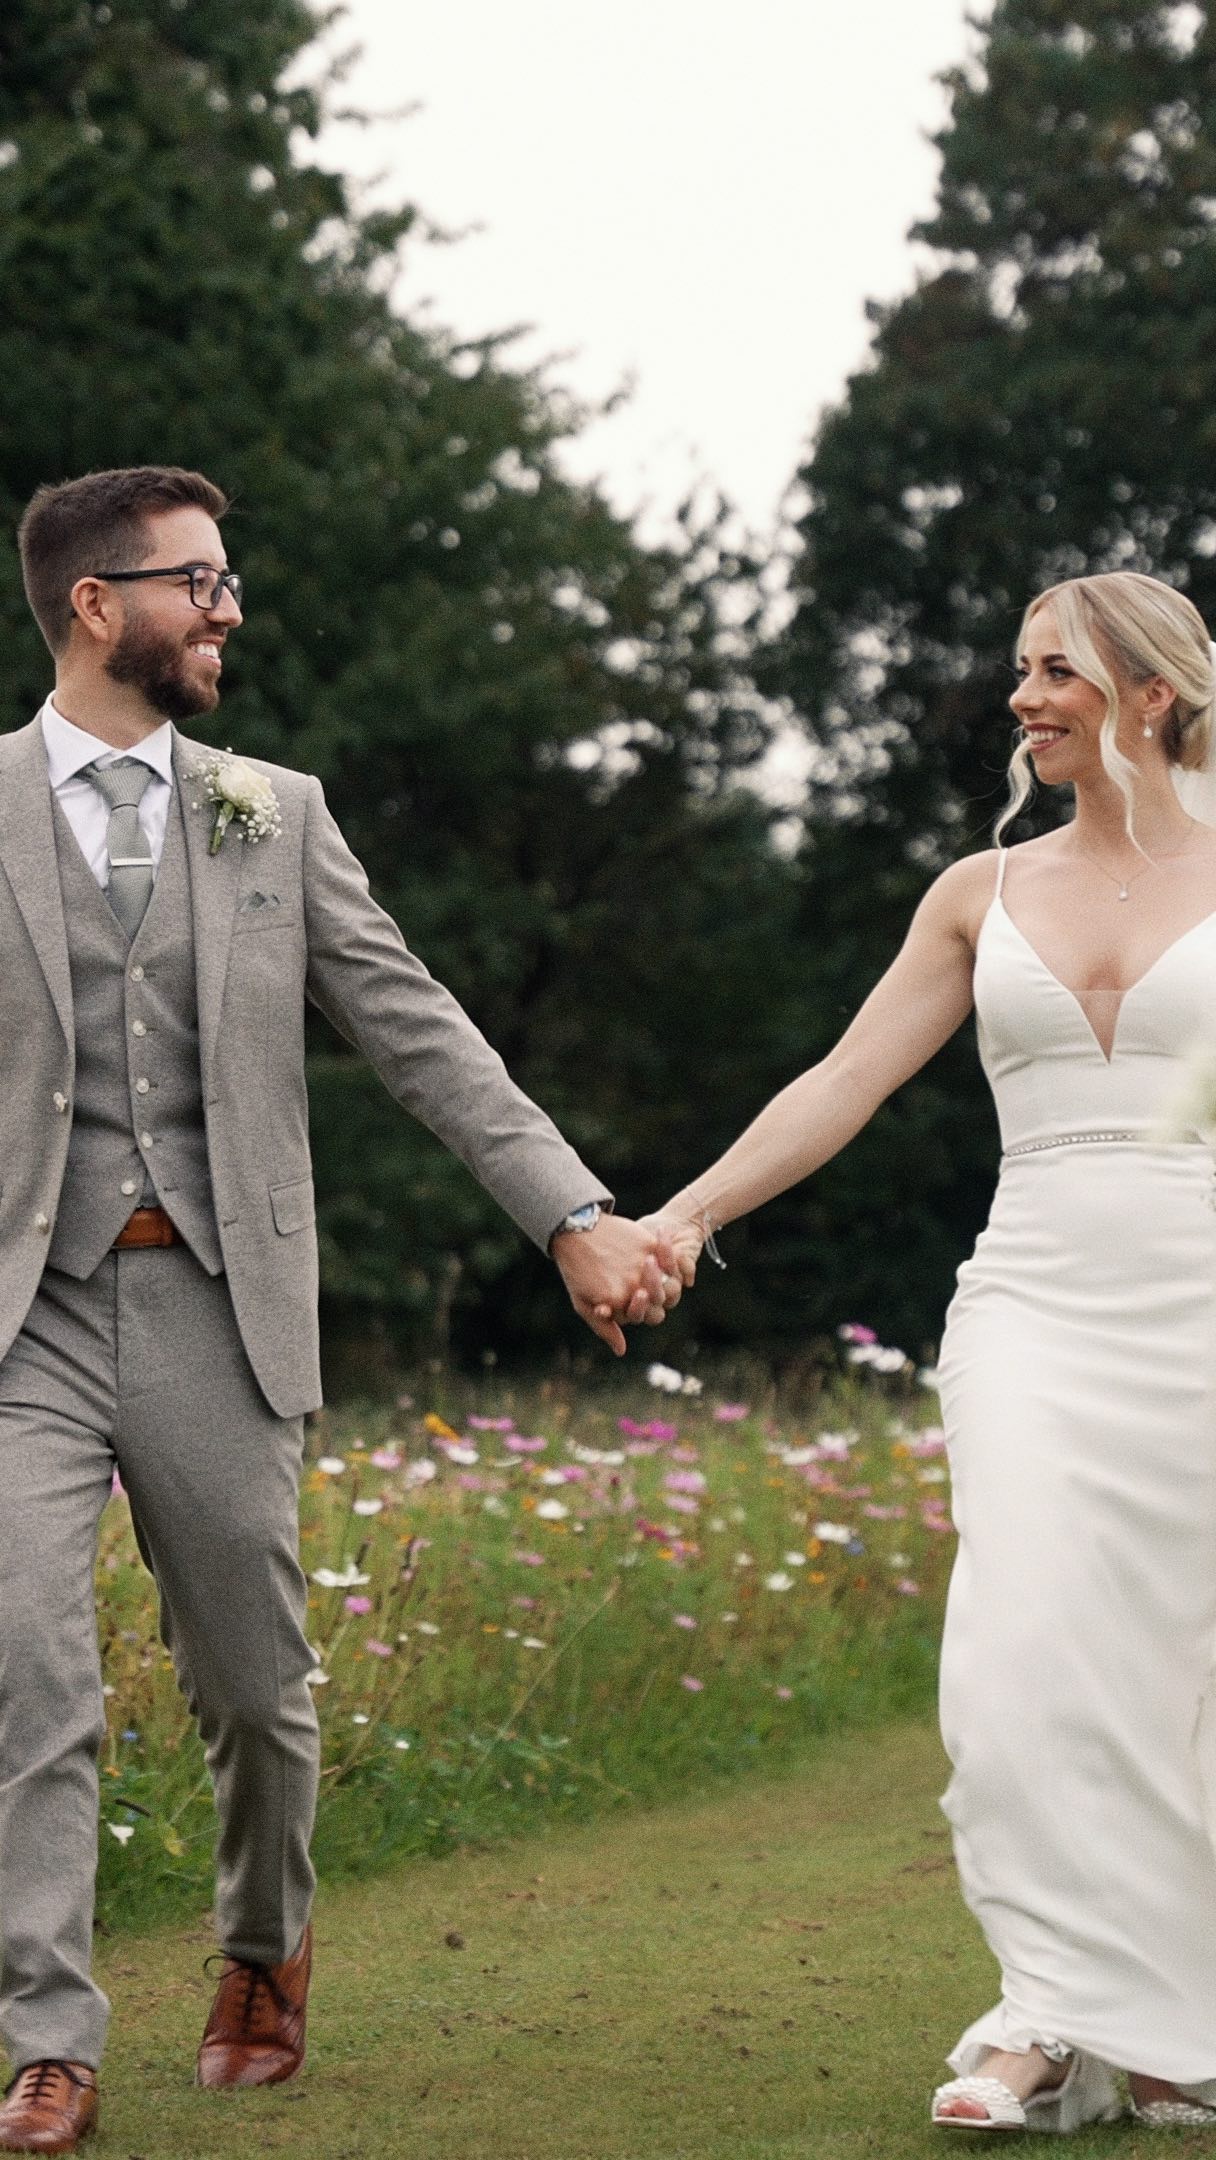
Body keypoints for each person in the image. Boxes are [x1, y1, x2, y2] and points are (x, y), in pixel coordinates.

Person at [0, 464, 680, 2156]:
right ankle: (48, 2037)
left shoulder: (271, 813)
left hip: (219, 1306)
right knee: (27, 1673)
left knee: (252, 1680)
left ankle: (260, 1941)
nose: (230, 612)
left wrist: (575, 1214)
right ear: (101, 606)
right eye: (201, 585)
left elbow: (420, 1028)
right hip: (25, 1312)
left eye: (230, 584)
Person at [651, 571, 1216, 2133]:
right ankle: (1041, 2018)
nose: (1021, 696)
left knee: (1182, 1676)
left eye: (1054, 671)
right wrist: (683, 1219)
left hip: (1209, 1304)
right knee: (1019, 1658)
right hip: (1033, 1303)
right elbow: (842, 1082)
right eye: (1018, 669)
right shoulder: (981, 890)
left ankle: (1164, 2025)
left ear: (1151, 693)